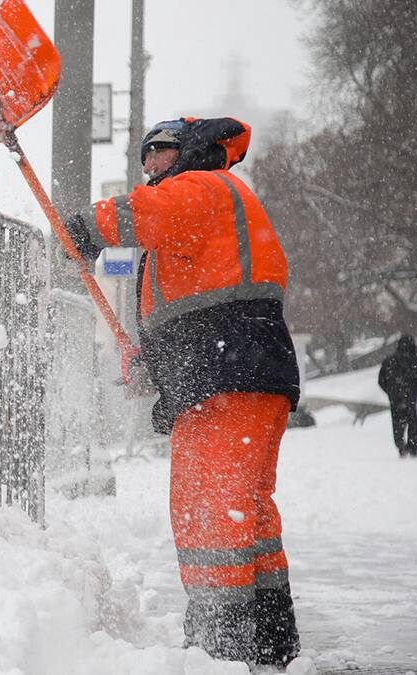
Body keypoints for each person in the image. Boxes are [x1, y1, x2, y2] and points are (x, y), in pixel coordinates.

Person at [64, 117, 301, 666]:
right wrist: (158, 362)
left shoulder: (202, 188)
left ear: (191, 149)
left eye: (162, 151)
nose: (151, 166)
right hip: (242, 372)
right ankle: (269, 639)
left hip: (228, 375)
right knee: (247, 511)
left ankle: (221, 649)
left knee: (210, 508)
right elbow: (196, 303)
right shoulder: (208, 208)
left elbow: (142, 213)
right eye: (145, 157)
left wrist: (81, 227)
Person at [378, 335, 417, 457]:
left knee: (397, 424)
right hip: (410, 397)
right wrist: (414, 392)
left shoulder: (389, 361)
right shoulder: (414, 361)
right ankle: (413, 447)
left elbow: (381, 380)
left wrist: (391, 392)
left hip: (395, 398)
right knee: (413, 423)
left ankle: (401, 445)